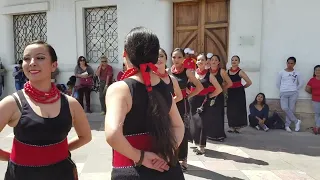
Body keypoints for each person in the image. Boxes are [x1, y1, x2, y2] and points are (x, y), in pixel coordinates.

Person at [0, 40, 92, 179]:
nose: (32, 62)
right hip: (22, 174)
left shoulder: (70, 104)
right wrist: (10, 156)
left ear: (54, 65)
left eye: (40, 58)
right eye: (26, 58)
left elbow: (85, 137)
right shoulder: (12, 103)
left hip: (62, 172)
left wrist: (57, 151)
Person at [105, 27, 185, 179]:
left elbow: (113, 134)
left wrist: (141, 157)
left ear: (125, 54)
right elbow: (178, 125)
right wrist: (165, 153)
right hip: (168, 168)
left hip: (132, 171)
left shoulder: (120, 89)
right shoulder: (163, 85)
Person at [169, 48, 203, 171]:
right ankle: (172, 157)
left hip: (182, 105)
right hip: (171, 104)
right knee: (171, 131)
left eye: (179, 57)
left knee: (182, 131)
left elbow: (199, 87)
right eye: (174, 57)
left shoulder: (188, 72)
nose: (176, 60)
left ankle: (183, 159)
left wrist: (188, 96)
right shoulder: (168, 72)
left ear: (183, 58)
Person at [189, 53, 222, 155]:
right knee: (193, 122)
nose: (200, 62)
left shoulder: (209, 75)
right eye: (198, 60)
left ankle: (202, 146)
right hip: (193, 100)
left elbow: (219, 89)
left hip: (203, 101)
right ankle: (196, 141)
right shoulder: (192, 73)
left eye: (202, 60)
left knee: (202, 123)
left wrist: (209, 96)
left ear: (206, 62)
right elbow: (186, 86)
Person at [206, 54, 233, 141]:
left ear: (219, 62)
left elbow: (230, 83)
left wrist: (222, 89)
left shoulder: (222, 71)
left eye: (216, 60)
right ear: (209, 61)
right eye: (212, 60)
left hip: (218, 96)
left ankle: (218, 135)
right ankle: (209, 133)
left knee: (217, 116)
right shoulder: (206, 71)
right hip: (208, 95)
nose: (213, 61)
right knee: (209, 115)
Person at [276, 57, 303, 132]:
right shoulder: (281, 72)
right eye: (288, 63)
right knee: (284, 108)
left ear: (294, 64)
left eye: (292, 63)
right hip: (283, 92)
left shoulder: (297, 73)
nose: (290, 65)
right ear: (286, 63)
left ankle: (287, 125)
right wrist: (282, 89)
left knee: (291, 109)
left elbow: (301, 83)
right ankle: (296, 121)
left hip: (293, 93)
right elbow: (278, 83)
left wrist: (295, 89)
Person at [227, 55, 252, 133]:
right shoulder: (227, 71)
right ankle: (232, 126)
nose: (234, 61)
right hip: (230, 92)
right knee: (231, 109)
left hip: (238, 92)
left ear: (238, 62)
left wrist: (242, 88)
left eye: (236, 60)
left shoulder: (240, 72)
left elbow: (249, 82)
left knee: (238, 109)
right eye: (232, 60)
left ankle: (238, 127)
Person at [305, 65, 320, 134]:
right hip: (315, 99)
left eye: (319, 70)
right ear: (314, 71)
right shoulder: (312, 80)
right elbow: (307, 88)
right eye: (316, 70)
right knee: (317, 114)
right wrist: (313, 93)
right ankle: (317, 128)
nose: (318, 71)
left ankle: (317, 127)